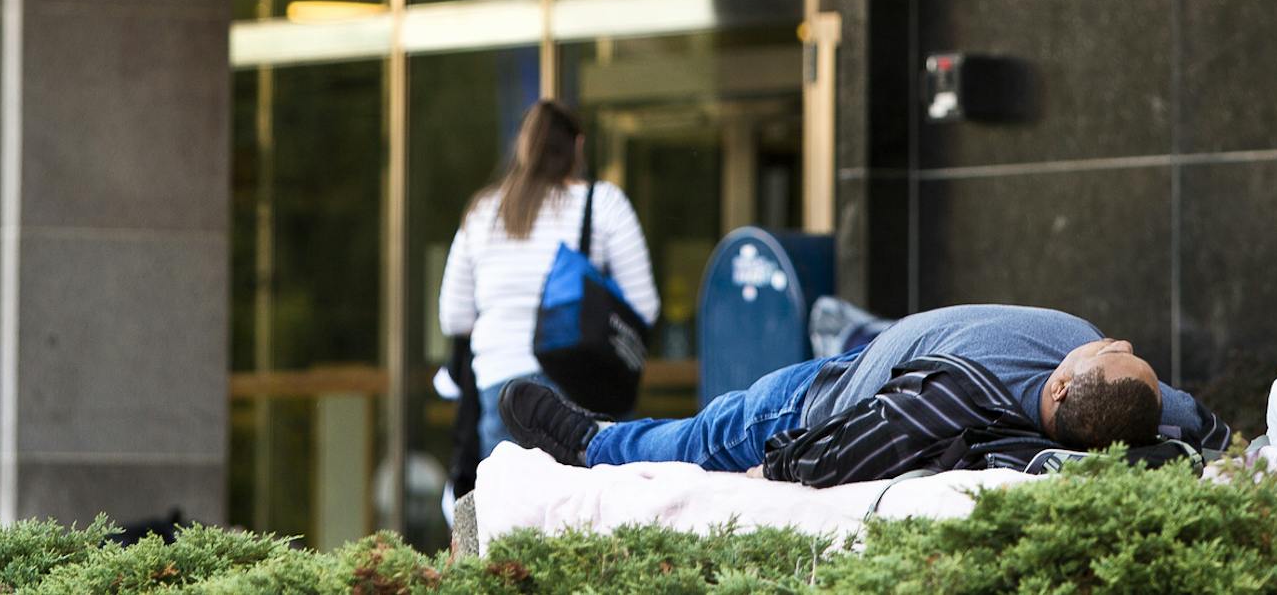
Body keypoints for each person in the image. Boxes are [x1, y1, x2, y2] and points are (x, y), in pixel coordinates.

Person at [502, 303, 1229, 486]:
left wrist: (780, 466)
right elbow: (1192, 421)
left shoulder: (957, 395)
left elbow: (852, 446)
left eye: (1113, 352)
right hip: (886, 351)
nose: (1123, 344)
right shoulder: (1127, 401)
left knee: (706, 435)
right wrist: (1237, 449)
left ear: (1066, 384)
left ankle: (595, 443)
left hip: (820, 400)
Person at [439, 100, 659, 460]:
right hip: (580, 385)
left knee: (511, 511)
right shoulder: (601, 203)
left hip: (500, 386)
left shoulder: (482, 212)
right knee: (584, 511)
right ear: (579, 146)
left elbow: (454, 317)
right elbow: (645, 306)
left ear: (522, 146)